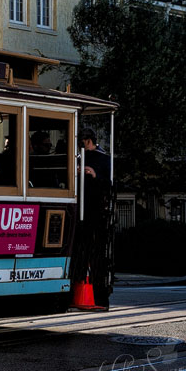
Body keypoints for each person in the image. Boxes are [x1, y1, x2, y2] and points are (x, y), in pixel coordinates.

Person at [74, 127, 113, 308]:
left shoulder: (104, 158)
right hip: (80, 208)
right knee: (81, 248)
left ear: (88, 141)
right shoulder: (79, 157)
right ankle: (79, 287)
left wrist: (94, 175)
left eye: (82, 142)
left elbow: (109, 185)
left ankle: (97, 292)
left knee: (95, 251)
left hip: (95, 210)